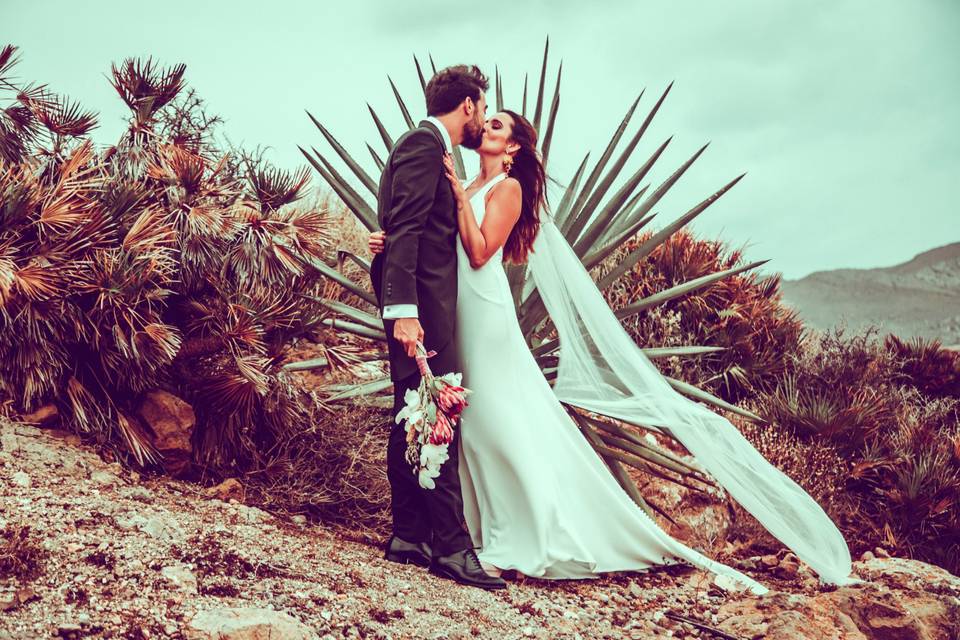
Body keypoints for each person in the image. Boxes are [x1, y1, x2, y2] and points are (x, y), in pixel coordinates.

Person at [369, 106, 856, 592]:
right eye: (487, 121)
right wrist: (387, 242)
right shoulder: (472, 185)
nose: (485, 129)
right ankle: (472, 529)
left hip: (486, 312)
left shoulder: (506, 189)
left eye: (497, 126)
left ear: (514, 147)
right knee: (472, 427)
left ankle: (534, 528)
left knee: (496, 420)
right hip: (458, 311)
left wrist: (455, 193)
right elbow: (434, 241)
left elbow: (478, 253)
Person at [369, 64, 505, 590]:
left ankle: (409, 535)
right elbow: (404, 228)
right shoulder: (425, 146)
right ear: (467, 105)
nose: (484, 120)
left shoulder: (426, 147)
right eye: (484, 109)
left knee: (410, 411)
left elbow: (404, 228)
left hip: (421, 308)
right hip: (421, 311)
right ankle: (451, 547)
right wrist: (404, 311)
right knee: (437, 409)